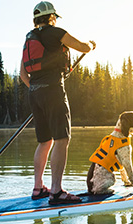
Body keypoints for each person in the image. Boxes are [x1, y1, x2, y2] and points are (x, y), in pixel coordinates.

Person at [20, 1, 95, 205]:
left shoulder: (30, 38)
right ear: (51, 17)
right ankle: (56, 192)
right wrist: (91, 45)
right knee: (61, 139)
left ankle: (38, 188)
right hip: (53, 91)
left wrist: (38, 89)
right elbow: (82, 47)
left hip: (34, 93)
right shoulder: (55, 32)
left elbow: (22, 74)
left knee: (45, 141)